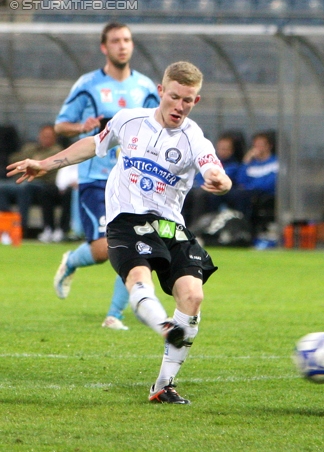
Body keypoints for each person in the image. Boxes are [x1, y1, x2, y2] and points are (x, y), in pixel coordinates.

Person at [8, 61, 232, 405]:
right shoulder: (129, 121)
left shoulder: (194, 138)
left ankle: (162, 386)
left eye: (188, 100)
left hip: (170, 225)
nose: (180, 106)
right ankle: (165, 328)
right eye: (174, 97)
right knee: (138, 277)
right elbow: (92, 145)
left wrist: (221, 180)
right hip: (126, 219)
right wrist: (47, 164)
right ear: (161, 92)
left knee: (193, 296)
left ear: (196, 101)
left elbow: (212, 166)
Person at [53, 21, 160, 331]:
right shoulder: (87, 84)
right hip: (94, 178)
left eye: (127, 40)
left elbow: (158, 125)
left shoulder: (146, 88)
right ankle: (71, 261)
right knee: (103, 250)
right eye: (115, 41)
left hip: (131, 180)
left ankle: (114, 315)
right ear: (104, 47)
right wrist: (82, 127)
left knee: (133, 245)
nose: (122, 45)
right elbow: (61, 125)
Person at [0, 124, 64, 237]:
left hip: (43, 183)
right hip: (20, 180)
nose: (46, 138)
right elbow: (13, 159)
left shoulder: (57, 151)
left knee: (25, 187)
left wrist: (31, 162)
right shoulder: (30, 147)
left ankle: (21, 227)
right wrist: (30, 162)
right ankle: (10, 221)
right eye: (44, 136)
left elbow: (48, 171)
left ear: (55, 138)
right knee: (2, 187)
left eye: (49, 136)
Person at [182, 130, 245, 226]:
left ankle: (196, 227)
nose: (221, 151)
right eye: (219, 148)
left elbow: (219, 179)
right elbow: (199, 176)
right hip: (200, 188)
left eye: (225, 149)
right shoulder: (210, 161)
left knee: (200, 195)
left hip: (217, 193)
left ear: (233, 150)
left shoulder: (234, 166)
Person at [227, 131, 278, 238]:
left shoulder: (274, 163)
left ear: (269, 146)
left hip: (265, 195)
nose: (257, 148)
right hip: (247, 192)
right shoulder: (251, 164)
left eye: (260, 145)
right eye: (255, 145)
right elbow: (240, 180)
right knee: (232, 194)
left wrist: (251, 185)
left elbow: (269, 184)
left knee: (242, 195)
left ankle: (244, 228)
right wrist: (246, 161)